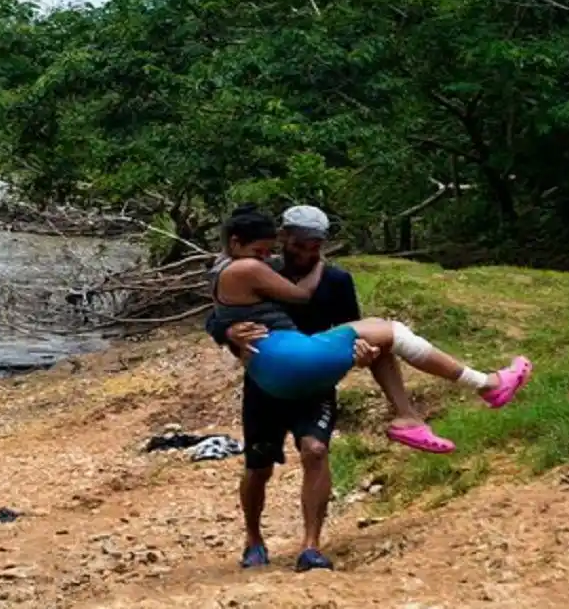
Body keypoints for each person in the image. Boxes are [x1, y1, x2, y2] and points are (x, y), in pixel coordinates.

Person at [207, 206, 533, 570]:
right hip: (268, 385)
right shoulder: (263, 266)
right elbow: (219, 315)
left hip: (313, 377)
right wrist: (227, 333)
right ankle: (253, 538)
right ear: (283, 238)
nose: (309, 252)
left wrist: (363, 354)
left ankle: (311, 546)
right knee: (258, 467)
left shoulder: (336, 280)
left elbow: (353, 326)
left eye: (316, 246)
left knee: (315, 450)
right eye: (300, 245)